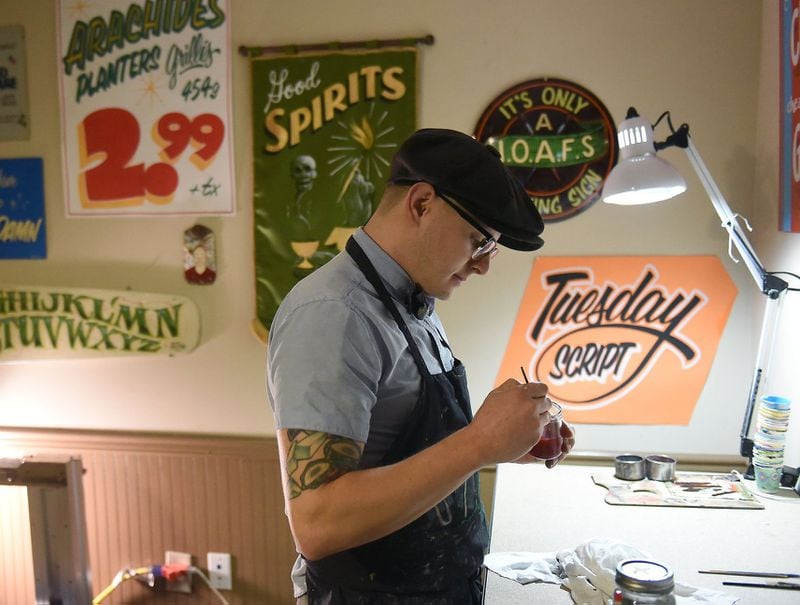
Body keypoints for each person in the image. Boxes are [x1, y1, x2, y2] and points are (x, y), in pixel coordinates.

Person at [267, 128, 576, 604]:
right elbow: (317, 523)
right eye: (478, 241)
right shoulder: (335, 313)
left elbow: (406, 448)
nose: (483, 266)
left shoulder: (414, 302)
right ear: (421, 204)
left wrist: (505, 443)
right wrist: (478, 444)